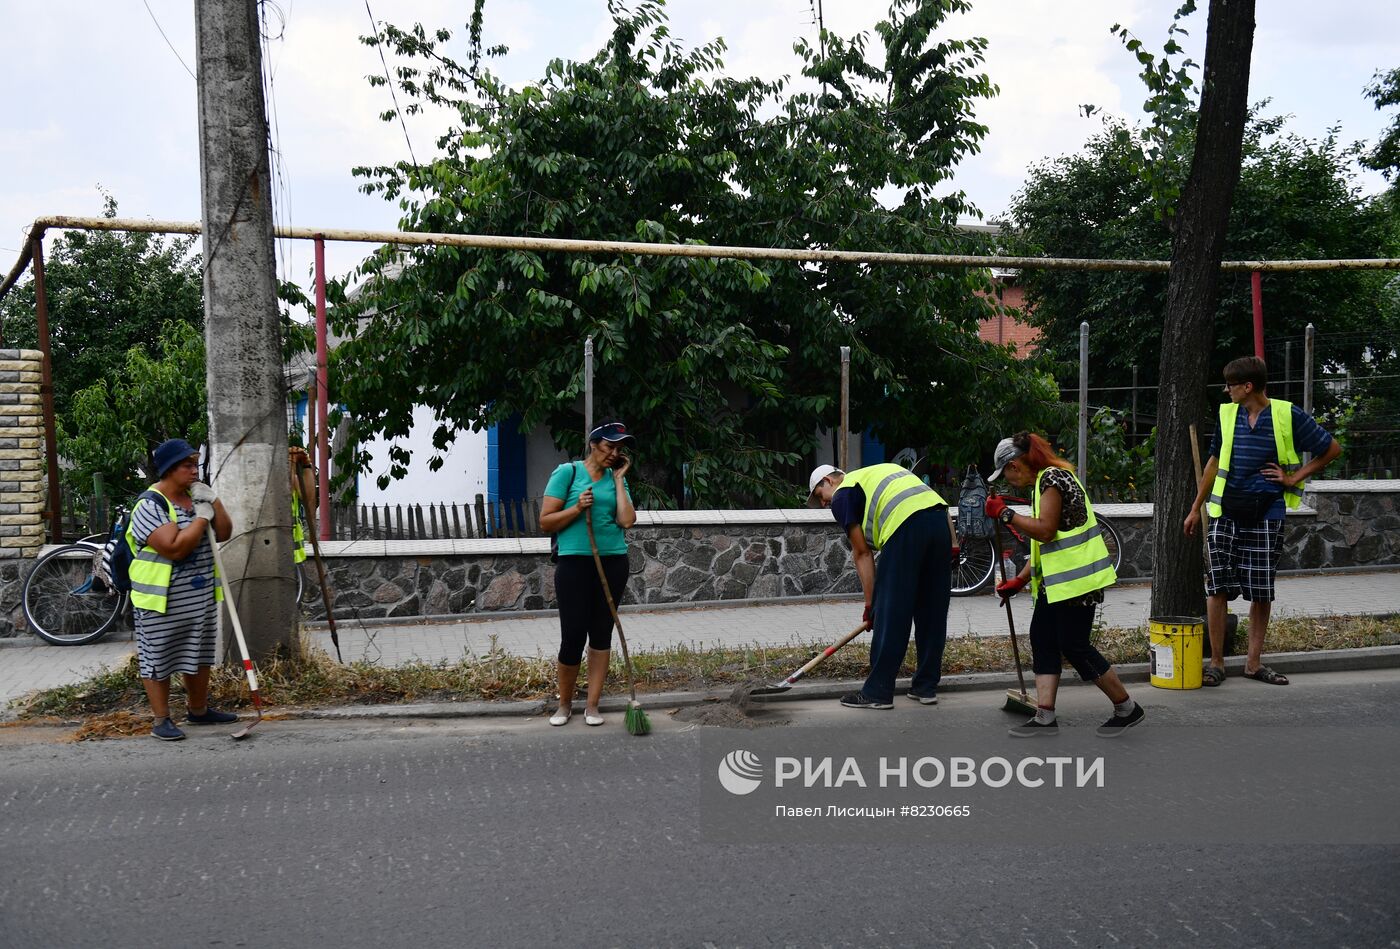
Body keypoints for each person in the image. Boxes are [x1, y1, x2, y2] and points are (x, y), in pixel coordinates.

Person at [1184, 356, 1341, 686]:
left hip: (1266, 514)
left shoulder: (1286, 414)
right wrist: (1196, 508)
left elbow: (1331, 448)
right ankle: (1216, 663)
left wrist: (1293, 477)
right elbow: (1213, 462)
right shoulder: (1228, 415)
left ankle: (1253, 664)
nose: (1226, 390)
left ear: (1247, 386)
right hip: (1225, 512)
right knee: (1217, 587)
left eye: (1230, 385)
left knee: (1261, 591)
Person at [986, 432, 1144, 737]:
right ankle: (1045, 716)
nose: (1008, 481)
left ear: (1015, 465)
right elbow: (1046, 544)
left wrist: (1005, 514)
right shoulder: (1045, 482)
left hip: (1077, 582)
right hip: (1058, 583)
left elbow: (1044, 531)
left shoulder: (1052, 479)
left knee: (1074, 646)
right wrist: (1020, 580)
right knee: (1042, 638)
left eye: (1005, 474)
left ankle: (1127, 708)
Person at [807, 461, 952, 709]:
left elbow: (862, 553)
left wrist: (871, 605)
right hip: (940, 524)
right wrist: (954, 543)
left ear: (829, 481)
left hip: (905, 526)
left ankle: (878, 692)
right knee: (932, 610)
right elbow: (935, 501)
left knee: (891, 612)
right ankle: (926, 687)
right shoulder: (880, 471)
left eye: (821, 496)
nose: (823, 504)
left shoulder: (843, 494)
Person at [128, 438, 236, 741]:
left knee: (198, 652)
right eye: (187, 465)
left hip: (199, 595)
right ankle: (161, 719)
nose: (194, 471)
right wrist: (201, 518)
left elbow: (224, 532)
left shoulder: (195, 497)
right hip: (161, 598)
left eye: (195, 464)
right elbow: (175, 548)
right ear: (170, 469)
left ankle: (198, 710)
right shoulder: (150, 505)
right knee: (159, 657)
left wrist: (214, 502)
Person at [539, 420, 637, 727]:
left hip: (613, 562)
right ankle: (564, 704)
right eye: (609, 446)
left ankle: (592, 706)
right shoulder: (567, 473)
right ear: (593, 444)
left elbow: (627, 520)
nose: (614, 453)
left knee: (601, 633)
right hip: (574, 564)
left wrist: (619, 480)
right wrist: (578, 508)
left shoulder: (615, 478)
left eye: (619, 448)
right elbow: (546, 521)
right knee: (573, 635)